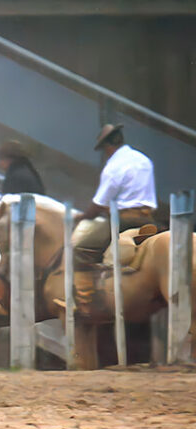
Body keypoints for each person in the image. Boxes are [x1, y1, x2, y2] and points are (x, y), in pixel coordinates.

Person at [70, 124, 156, 317]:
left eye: (104, 150)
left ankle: (86, 301)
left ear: (108, 147)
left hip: (124, 220)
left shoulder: (114, 166)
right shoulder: (144, 160)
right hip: (148, 218)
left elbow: (99, 203)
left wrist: (82, 217)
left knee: (80, 248)